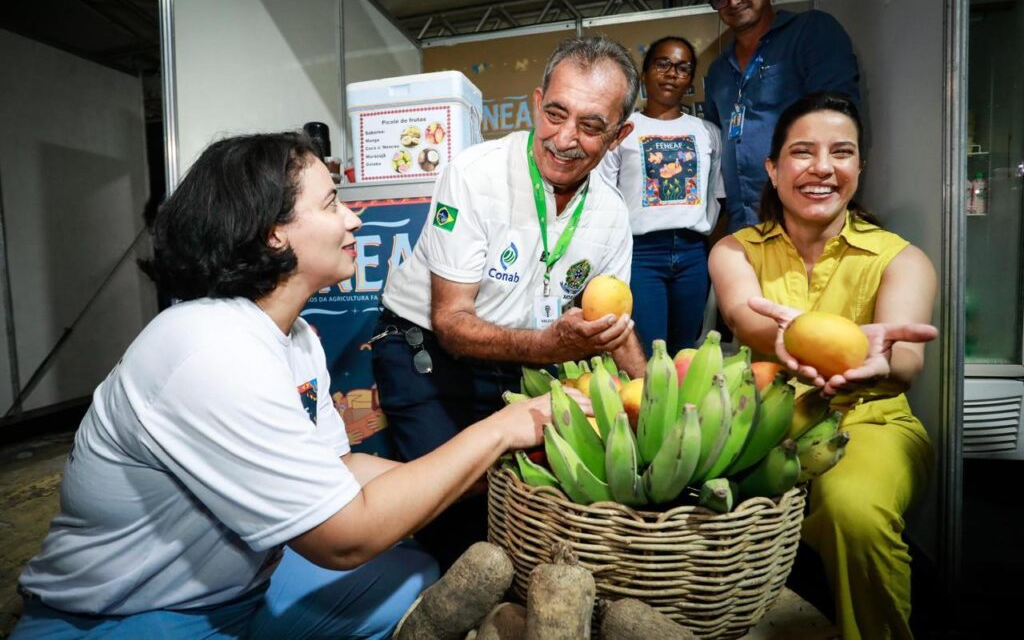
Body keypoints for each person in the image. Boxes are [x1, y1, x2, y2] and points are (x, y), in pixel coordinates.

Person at [11, 133, 566, 640]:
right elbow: (343, 539)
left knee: (414, 569)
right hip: (129, 617)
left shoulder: (294, 336)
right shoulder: (211, 352)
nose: (354, 221)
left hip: (244, 586)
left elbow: (339, 470)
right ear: (273, 232)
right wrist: (500, 431)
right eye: (330, 205)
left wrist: (489, 479)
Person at [373, 35, 647, 570]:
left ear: (619, 135)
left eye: (591, 126)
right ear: (535, 101)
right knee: (459, 512)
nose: (565, 139)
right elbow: (451, 323)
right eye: (555, 113)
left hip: (520, 363)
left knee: (536, 503)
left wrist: (652, 399)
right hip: (428, 356)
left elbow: (615, 324)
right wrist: (549, 347)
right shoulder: (474, 175)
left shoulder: (612, 215)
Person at [708, 92, 938, 640]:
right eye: (802, 151)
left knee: (852, 513)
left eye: (841, 152)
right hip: (764, 426)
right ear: (773, 167)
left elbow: (905, 360)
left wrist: (880, 362)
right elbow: (743, 316)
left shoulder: (902, 259)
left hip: (870, 422)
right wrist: (795, 334)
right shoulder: (735, 250)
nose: (822, 168)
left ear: (859, 166)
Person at [703, 0, 861, 233]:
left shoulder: (810, 32)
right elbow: (715, 140)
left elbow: (839, 119)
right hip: (743, 226)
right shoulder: (717, 70)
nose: (734, 1)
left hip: (804, 220)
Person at [596, 36, 724, 356]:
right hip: (641, 256)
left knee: (686, 353)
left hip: (694, 255)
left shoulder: (708, 132)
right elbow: (603, 201)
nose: (671, 73)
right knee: (648, 353)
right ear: (644, 73)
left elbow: (716, 198)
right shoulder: (623, 130)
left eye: (683, 68)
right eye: (662, 64)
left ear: (691, 78)